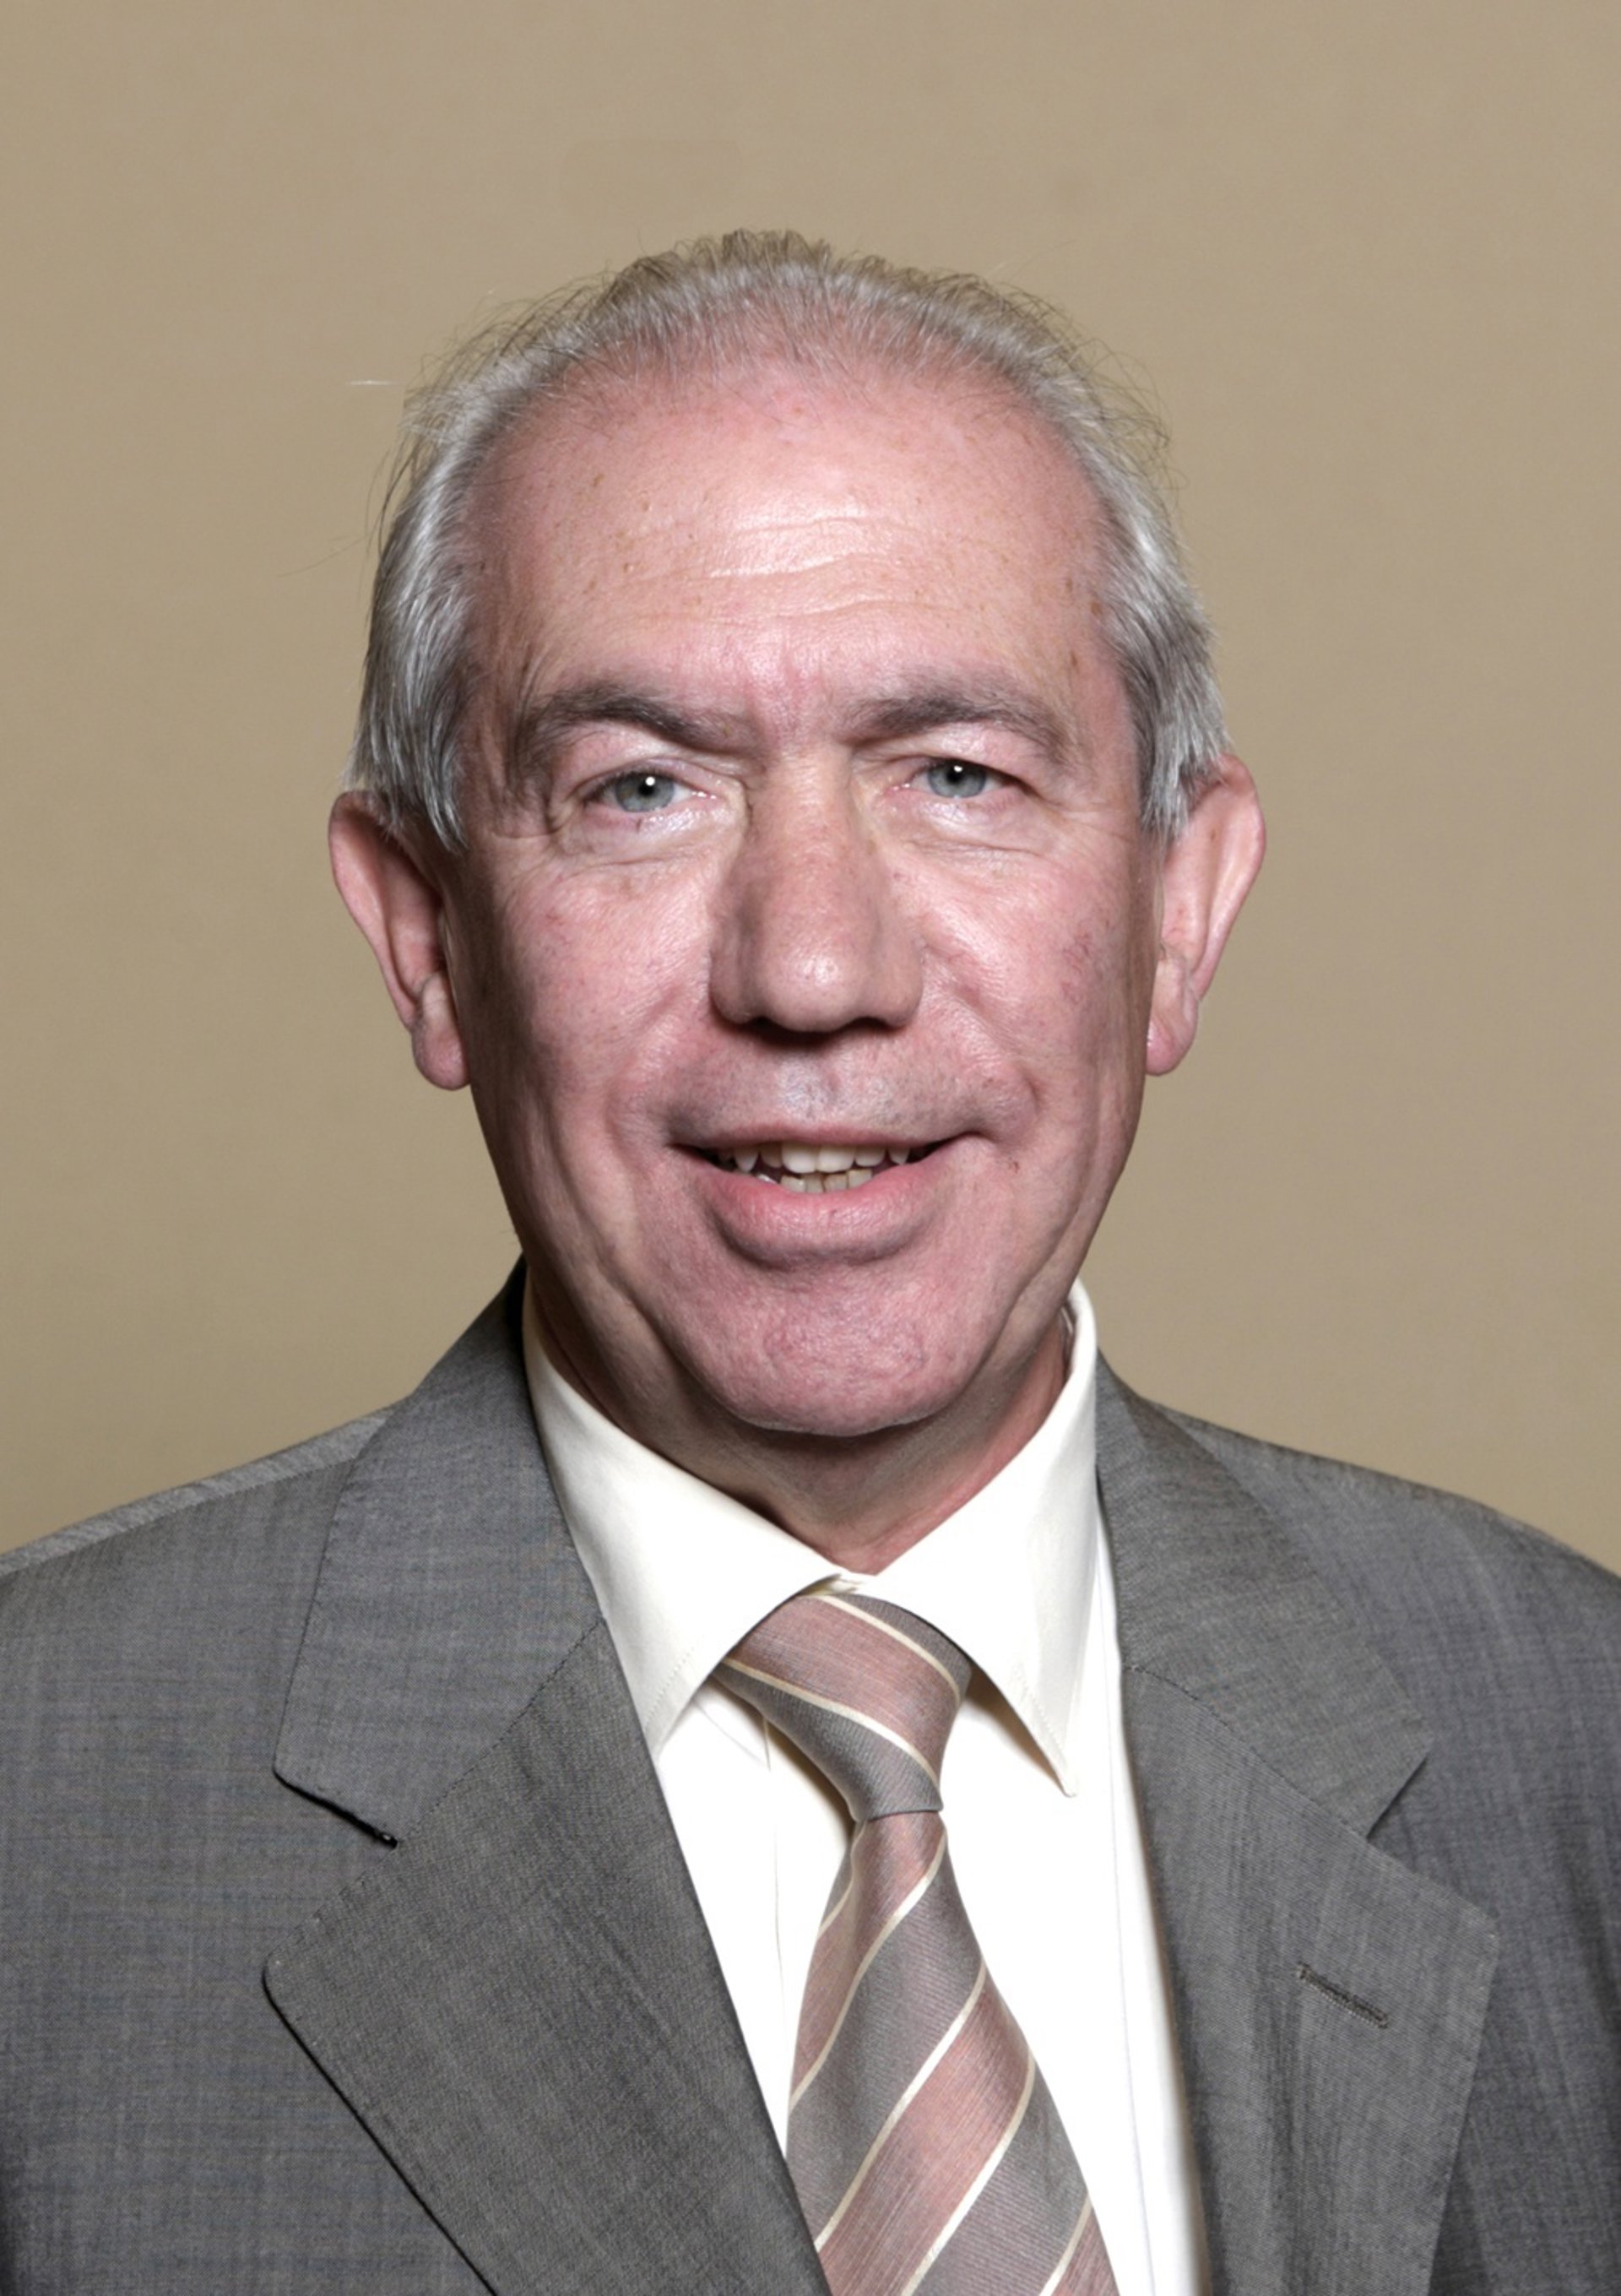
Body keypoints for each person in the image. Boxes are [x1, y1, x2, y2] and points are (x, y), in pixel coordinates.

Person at [1, 233, 1616, 2296]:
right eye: (640, 790)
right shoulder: (43, 1807)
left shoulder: (1574, 1732)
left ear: (1181, 913)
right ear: (425, 937)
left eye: (957, 776)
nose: (814, 966)